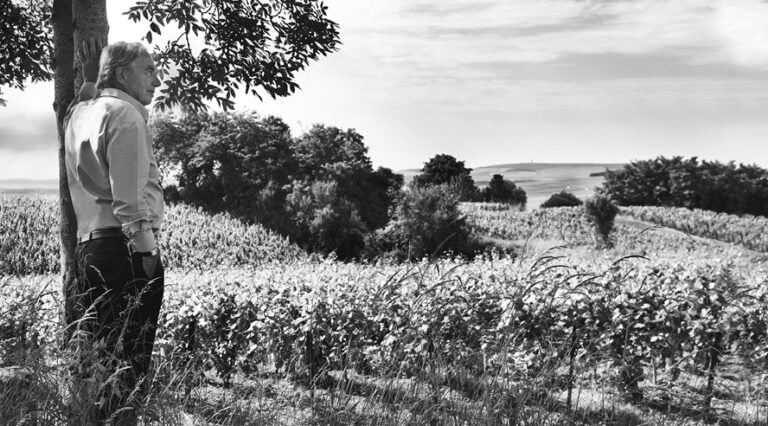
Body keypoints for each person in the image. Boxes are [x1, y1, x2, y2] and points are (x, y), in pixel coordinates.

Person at [64, 39, 164, 424]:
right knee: (129, 367)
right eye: (149, 70)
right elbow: (129, 200)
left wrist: (90, 82)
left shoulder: (80, 115)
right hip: (125, 252)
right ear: (123, 74)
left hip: (89, 251)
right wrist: (147, 253)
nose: (156, 80)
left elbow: (71, 112)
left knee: (101, 364)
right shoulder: (126, 115)